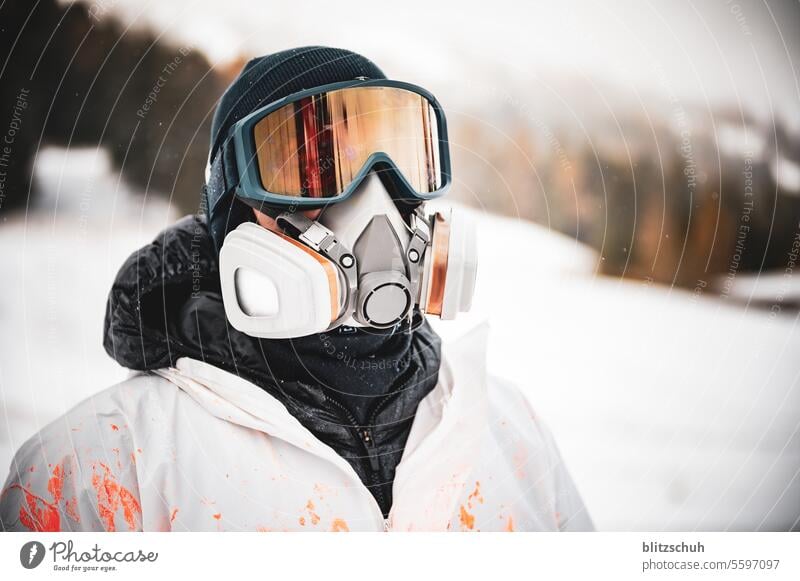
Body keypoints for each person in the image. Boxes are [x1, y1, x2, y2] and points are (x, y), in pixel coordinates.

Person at [0, 47, 592, 532]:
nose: (374, 205)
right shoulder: (100, 470)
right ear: (234, 216)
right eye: (313, 167)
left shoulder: (510, 433)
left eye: (398, 162)